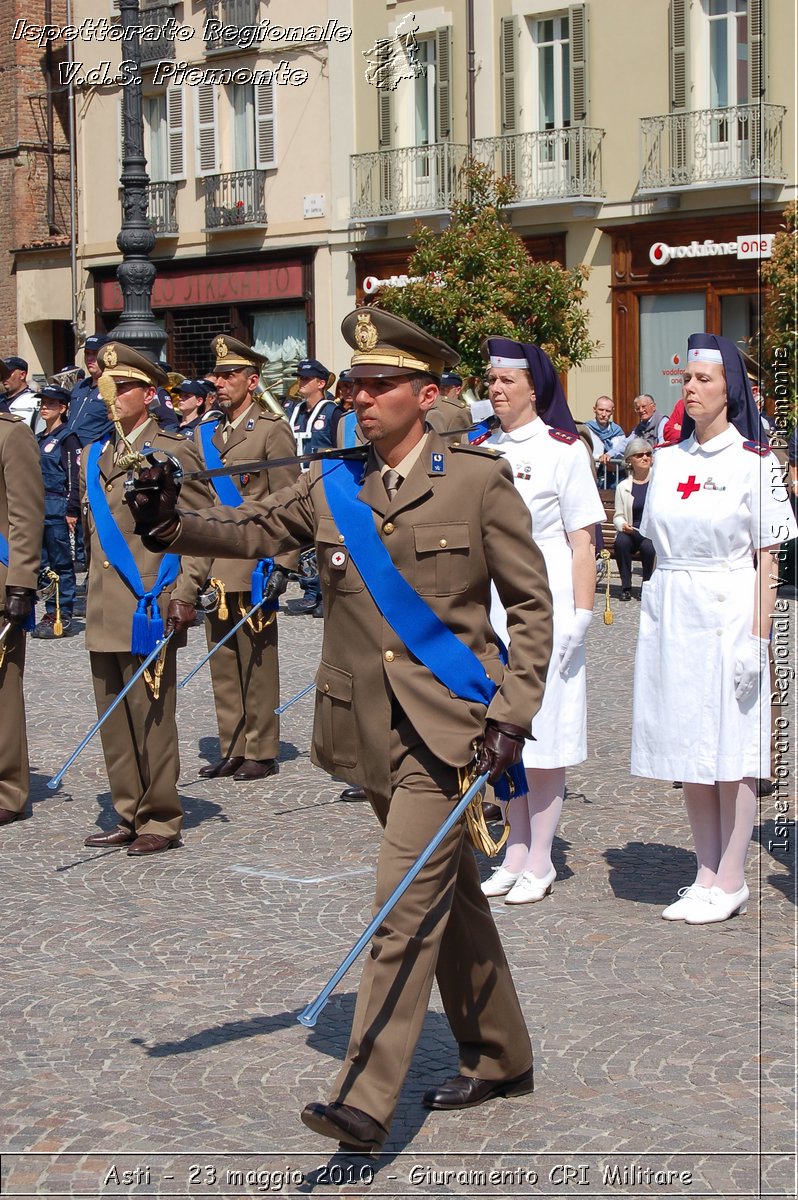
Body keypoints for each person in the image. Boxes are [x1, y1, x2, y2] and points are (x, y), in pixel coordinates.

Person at [127, 307, 553, 1153]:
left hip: (450, 730)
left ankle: (363, 1096)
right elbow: (250, 528)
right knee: (448, 900)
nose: (360, 397)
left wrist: (514, 712)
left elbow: (535, 608)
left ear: (426, 395)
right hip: (363, 731)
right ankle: (502, 1052)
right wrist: (168, 521)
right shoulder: (331, 484)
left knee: (400, 907)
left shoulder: (476, 481)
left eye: (380, 384)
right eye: (355, 384)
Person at [631, 333, 797, 924]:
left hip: (730, 607)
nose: (693, 389)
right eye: (688, 380)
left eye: (705, 379)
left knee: (732, 744)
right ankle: (702, 873)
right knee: (688, 745)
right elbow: (653, 542)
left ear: (731, 388)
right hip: (674, 605)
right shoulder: (668, 460)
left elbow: (769, 562)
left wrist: (759, 638)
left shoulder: (757, 463)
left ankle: (731, 877)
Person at [479, 337, 604, 906]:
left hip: (545, 591)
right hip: (490, 599)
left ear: (534, 387)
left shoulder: (563, 449)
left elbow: (584, 538)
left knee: (544, 727)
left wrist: (580, 613)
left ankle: (542, 856)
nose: (496, 389)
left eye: (507, 381)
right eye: (492, 380)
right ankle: (514, 845)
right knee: (501, 725)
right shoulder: (481, 448)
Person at [80, 342, 212, 856]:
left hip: (149, 603)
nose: (111, 395)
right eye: (105, 386)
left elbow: (201, 530)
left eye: (124, 387)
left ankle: (160, 815)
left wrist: (185, 593)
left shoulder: (172, 449)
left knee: (152, 713)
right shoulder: (98, 453)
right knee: (114, 715)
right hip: (103, 603)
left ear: (149, 394)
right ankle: (127, 809)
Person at [190, 334, 300, 782]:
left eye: (229, 375)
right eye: (217, 375)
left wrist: (284, 565)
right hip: (216, 563)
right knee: (222, 657)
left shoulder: (272, 431)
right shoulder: (210, 434)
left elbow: (290, 500)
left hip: (254, 562)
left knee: (256, 657)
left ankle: (262, 746)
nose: (219, 382)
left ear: (252, 381)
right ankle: (232, 743)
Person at [0, 361, 44, 826]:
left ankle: (8, 788)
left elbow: (26, 514)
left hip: (0, 580)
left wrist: (22, 582)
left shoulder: (11, 434)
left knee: (2, 691)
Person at [31, 385, 80, 639]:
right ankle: (49, 610)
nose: (44, 408)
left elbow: (74, 475)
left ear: (63, 408)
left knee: (61, 564)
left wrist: (72, 509)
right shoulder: (40, 438)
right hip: (39, 508)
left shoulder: (67, 438)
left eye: (50, 404)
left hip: (59, 508)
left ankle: (62, 613)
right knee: (43, 564)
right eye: (42, 403)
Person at [612, 438, 657, 601]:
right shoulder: (623, 487)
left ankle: (647, 585)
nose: (645, 458)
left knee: (648, 547)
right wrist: (623, 525)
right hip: (632, 530)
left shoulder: (658, 482)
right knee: (621, 542)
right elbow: (618, 516)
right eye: (639, 455)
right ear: (630, 459)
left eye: (648, 454)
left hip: (650, 532)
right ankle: (626, 587)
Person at [67, 335, 114, 447]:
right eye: (87, 353)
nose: (89, 358)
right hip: (70, 450)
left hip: (95, 451)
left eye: (95, 354)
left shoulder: (114, 387)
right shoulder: (79, 386)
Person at [586, 396, 626, 488]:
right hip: (593, 476)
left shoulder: (618, 432)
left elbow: (624, 452)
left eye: (607, 411)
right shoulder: (586, 430)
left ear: (612, 411)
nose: (604, 414)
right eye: (601, 410)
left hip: (615, 477)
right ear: (594, 409)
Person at [1, 356, 40, 431]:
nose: (4, 376)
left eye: (8, 372)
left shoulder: (34, 400)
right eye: (2, 373)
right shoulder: (1, 399)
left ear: (22, 375)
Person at [426, 369, 471, 434]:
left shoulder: (460, 411)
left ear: (457, 390)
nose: (439, 392)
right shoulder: (428, 405)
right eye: (438, 387)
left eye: (444, 388)